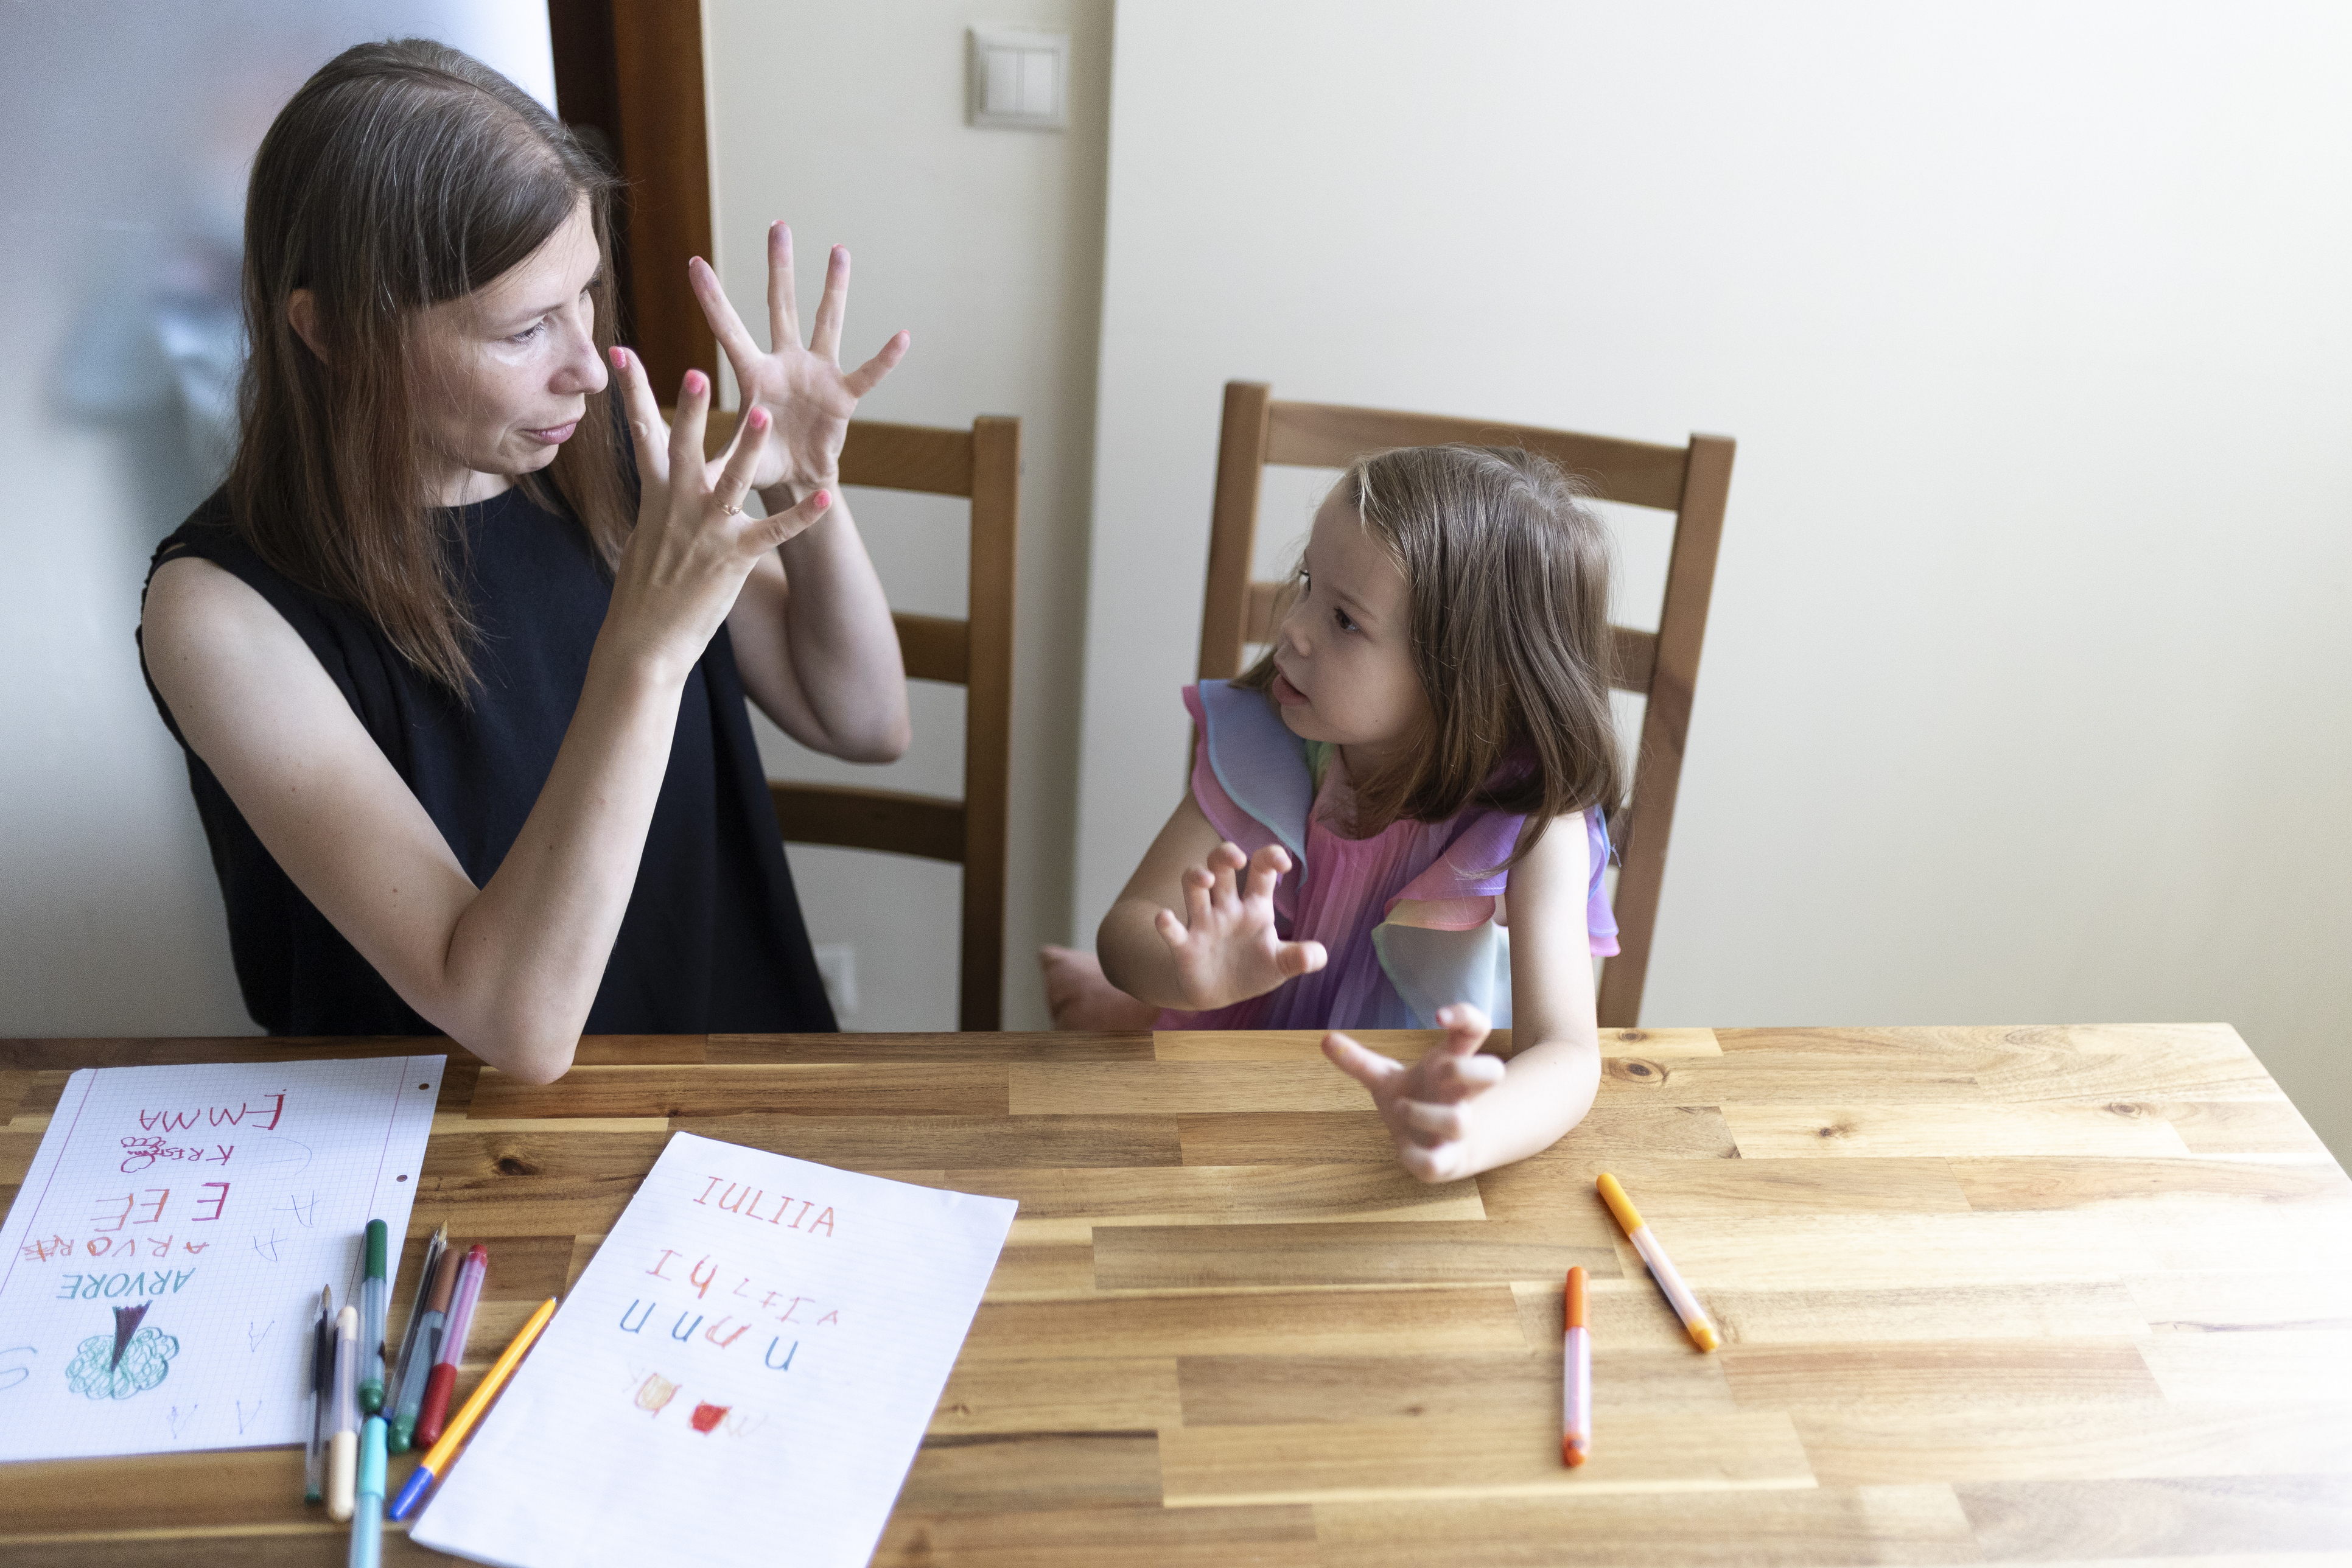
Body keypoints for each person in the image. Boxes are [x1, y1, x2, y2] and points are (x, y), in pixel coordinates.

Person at [138, 40, 911, 1082]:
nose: (587, 366)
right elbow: (516, 1030)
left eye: (585, 294)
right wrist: (646, 655)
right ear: (331, 333)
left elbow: (863, 721)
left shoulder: (614, 460)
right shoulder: (221, 613)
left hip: (721, 1075)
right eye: (523, 332)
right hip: (442, 1132)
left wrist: (803, 486)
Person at [1041, 446, 1623, 1181]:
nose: (1294, 627)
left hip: (1390, 1136)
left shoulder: (1533, 823)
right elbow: (1125, 933)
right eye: (1309, 583)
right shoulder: (1269, 744)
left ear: (1469, 676)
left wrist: (1472, 1131)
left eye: (1346, 619)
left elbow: (1567, 1052)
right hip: (1233, 1110)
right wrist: (1192, 976)